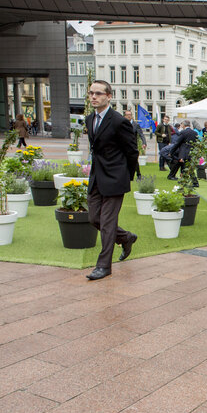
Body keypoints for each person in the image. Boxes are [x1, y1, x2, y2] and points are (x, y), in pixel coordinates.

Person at [84, 80, 139, 280]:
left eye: (98, 93)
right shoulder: (90, 119)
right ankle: (126, 238)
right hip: (97, 177)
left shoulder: (118, 121)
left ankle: (103, 266)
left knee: (107, 223)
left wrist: (126, 176)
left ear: (108, 97)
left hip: (115, 178)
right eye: (91, 93)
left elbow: (132, 152)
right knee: (93, 218)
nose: (93, 97)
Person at [167, 120, 199, 186]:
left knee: (186, 166)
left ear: (184, 125)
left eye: (182, 125)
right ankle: (184, 181)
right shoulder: (195, 133)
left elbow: (177, 143)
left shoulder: (183, 132)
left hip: (184, 151)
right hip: (192, 151)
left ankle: (195, 182)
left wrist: (171, 151)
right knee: (186, 166)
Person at [124, 109, 146, 179]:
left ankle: (138, 174)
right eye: (127, 115)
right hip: (124, 145)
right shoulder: (123, 124)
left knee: (135, 160)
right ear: (125, 116)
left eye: (130, 115)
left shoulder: (136, 125)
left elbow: (141, 134)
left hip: (133, 146)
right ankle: (127, 175)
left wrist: (144, 143)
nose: (129, 116)